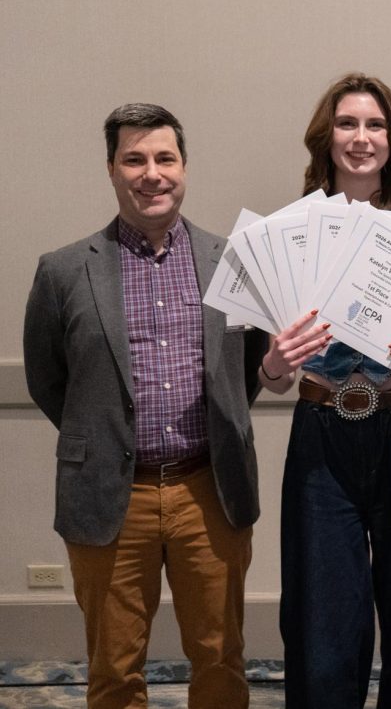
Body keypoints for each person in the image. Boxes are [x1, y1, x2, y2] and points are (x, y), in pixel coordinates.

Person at [22, 103, 270, 708]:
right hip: (110, 493)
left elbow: (248, 369)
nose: (151, 173)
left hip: (208, 491)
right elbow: (47, 380)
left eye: (165, 158)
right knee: (114, 668)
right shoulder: (62, 271)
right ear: (111, 169)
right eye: (134, 159)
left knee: (219, 658)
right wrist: (105, 437)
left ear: (185, 168)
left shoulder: (233, 262)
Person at [256, 73, 391, 709]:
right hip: (322, 432)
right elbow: (272, 372)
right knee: (320, 623)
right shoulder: (289, 233)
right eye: (347, 124)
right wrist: (275, 363)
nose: (361, 138)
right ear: (325, 138)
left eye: (375, 125)